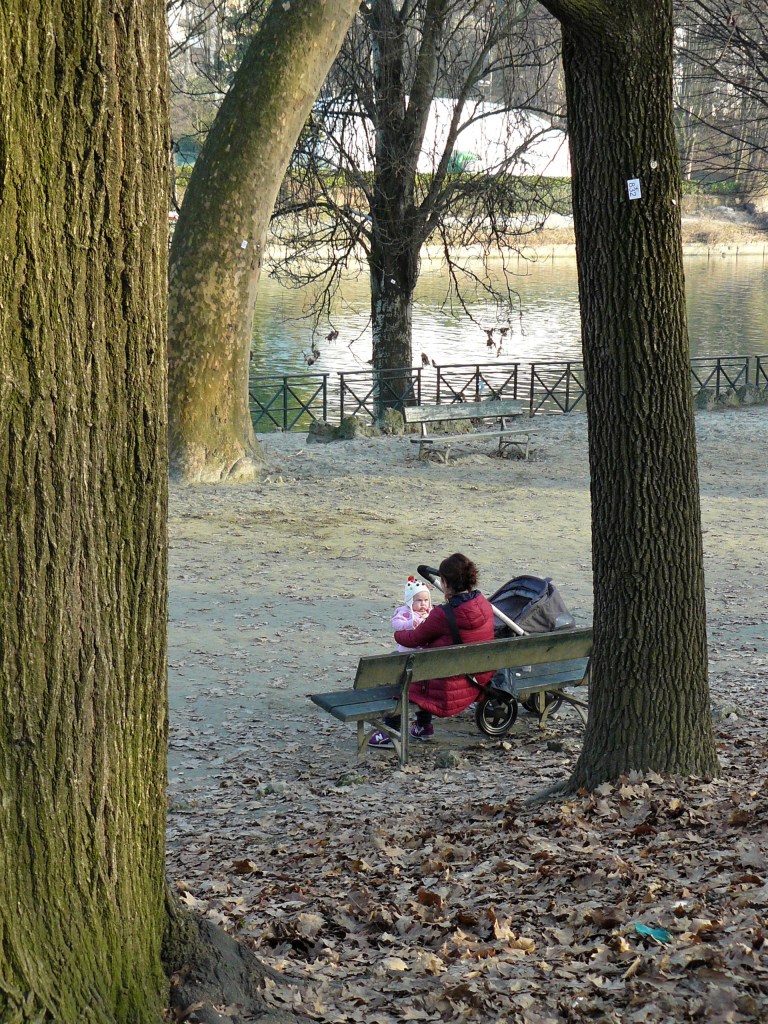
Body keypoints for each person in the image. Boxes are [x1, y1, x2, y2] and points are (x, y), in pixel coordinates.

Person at [369, 553, 495, 747]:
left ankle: (391, 731)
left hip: (448, 687)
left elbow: (413, 638)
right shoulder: (484, 604)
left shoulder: (442, 614)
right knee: (425, 667)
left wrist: (396, 635)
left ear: (444, 582)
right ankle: (423, 727)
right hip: (478, 678)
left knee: (399, 668)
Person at [391, 576, 432, 652]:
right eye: (419, 600)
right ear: (409, 600)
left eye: (426, 600)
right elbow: (395, 623)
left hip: (423, 647)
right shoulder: (406, 612)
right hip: (408, 648)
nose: (423, 603)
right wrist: (409, 624)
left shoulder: (430, 612)